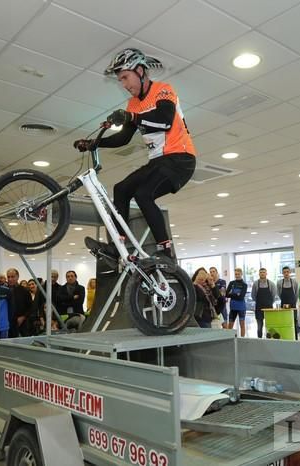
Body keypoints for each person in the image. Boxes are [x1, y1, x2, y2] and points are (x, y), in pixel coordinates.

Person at [76, 48, 197, 262]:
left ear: (140, 71)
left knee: (143, 195)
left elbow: (165, 120)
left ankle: (167, 251)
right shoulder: (133, 104)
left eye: (125, 77)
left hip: (180, 159)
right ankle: (117, 246)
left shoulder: (163, 90)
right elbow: (123, 138)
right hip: (158, 161)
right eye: (120, 80)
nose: (124, 84)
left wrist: (132, 117)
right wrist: (94, 144)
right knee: (121, 189)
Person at [6, 268, 33, 337]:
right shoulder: (4, 290)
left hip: (22, 322)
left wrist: (23, 317)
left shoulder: (24, 291)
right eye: (8, 277)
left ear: (17, 276)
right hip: (7, 322)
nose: (10, 279)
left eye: (12, 277)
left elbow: (30, 307)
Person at [251, 268, 276, 339]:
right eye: (261, 272)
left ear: (266, 273)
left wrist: (269, 302)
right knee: (259, 326)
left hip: (269, 308)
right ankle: (260, 339)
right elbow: (253, 296)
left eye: (263, 272)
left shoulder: (271, 283)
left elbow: (274, 295)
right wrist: (259, 301)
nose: (262, 273)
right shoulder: (255, 283)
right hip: (259, 308)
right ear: (259, 274)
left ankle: (271, 339)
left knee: (270, 325)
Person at [276, 266, 299, 339]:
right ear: (282, 273)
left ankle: (295, 337)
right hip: (284, 304)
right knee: (285, 320)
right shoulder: (279, 282)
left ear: (290, 272)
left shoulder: (294, 281)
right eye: (284, 272)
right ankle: (286, 337)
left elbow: (296, 293)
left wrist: (294, 302)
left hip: (293, 304)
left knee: (294, 320)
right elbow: (279, 293)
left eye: (287, 272)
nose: (286, 273)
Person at [225, 268, 248, 337]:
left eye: (238, 274)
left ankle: (242, 340)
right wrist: (236, 294)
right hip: (233, 307)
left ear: (241, 274)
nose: (237, 275)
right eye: (236, 274)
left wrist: (232, 294)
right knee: (230, 325)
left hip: (241, 307)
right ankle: (229, 339)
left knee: (242, 325)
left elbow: (241, 297)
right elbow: (226, 294)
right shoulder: (231, 283)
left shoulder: (244, 284)